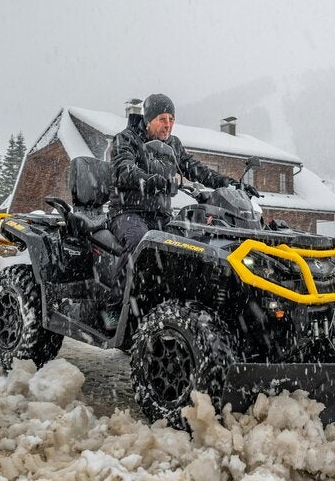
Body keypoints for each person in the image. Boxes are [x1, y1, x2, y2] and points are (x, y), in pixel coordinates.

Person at [100, 93, 250, 329]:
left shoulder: (173, 144)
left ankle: (169, 306)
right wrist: (151, 180)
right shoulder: (126, 140)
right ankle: (113, 306)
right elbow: (123, 169)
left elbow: (196, 169)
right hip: (127, 212)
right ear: (148, 119)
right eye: (162, 118)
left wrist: (229, 183)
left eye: (171, 118)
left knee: (187, 248)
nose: (168, 124)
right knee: (139, 243)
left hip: (160, 216)